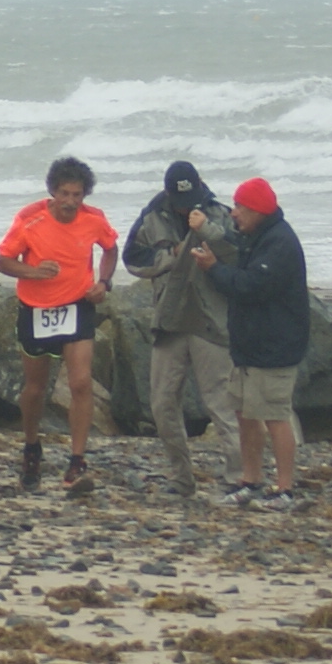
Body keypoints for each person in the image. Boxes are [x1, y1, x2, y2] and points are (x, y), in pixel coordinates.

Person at [0, 156, 120, 496]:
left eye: (77, 195)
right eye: (64, 194)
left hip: (77, 305)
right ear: (52, 191)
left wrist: (104, 283)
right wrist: (33, 272)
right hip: (37, 308)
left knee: (81, 382)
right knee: (36, 388)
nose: (70, 202)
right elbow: (3, 261)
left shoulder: (94, 219)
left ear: (85, 194)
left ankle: (77, 460)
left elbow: (110, 249)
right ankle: (31, 448)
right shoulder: (30, 219)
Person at [118, 159, 238, 502]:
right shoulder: (152, 216)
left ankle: (238, 478)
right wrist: (172, 255)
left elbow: (238, 254)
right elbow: (132, 258)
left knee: (221, 403)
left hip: (210, 322)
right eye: (181, 202)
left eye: (192, 200)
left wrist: (207, 233)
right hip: (169, 321)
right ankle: (181, 478)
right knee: (162, 403)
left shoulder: (220, 214)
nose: (187, 208)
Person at [193, 176, 309, 507]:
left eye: (240, 207)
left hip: (274, 347)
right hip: (248, 345)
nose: (234, 213)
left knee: (275, 416)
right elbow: (235, 257)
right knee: (245, 414)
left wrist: (213, 269)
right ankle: (251, 480)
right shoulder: (254, 236)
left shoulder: (280, 243)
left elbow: (251, 286)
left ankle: (285, 489)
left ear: (257, 210)